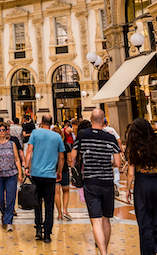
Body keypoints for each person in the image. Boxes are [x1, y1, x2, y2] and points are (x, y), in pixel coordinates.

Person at [69, 109, 122, 255]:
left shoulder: (82, 135)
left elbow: (72, 156)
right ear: (104, 120)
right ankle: (104, 248)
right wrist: (105, 162)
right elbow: (118, 162)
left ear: (91, 119)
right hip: (107, 182)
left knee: (96, 220)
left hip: (91, 182)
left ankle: (103, 253)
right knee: (106, 219)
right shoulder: (110, 137)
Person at [124, 118, 157, 255]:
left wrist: (128, 190)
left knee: (144, 222)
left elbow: (131, 174)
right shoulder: (155, 146)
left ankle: (148, 253)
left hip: (142, 185)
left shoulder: (133, 149)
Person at [25, 114, 66, 243]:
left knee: (37, 203)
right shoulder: (57, 136)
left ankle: (38, 229)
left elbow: (29, 152)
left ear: (41, 122)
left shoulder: (35, 133)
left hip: (36, 173)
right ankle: (47, 234)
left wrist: (27, 167)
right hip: (50, 175)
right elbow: (61, 157)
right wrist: (59, 171)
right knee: (49, 205)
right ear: (52, 122)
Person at [0, 122, 22, 231]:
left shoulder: (12, 144)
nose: (2, 132)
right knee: (0, 199)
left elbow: (17, 159)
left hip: (11, 174)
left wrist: (20, 173)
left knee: (11, 197)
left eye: (4, 130)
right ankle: (4, 213)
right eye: (0, 130)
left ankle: (9, 221)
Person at [52, 125, 72, 221]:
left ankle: (59, 213)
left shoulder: (50, 146)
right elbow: (69, 159)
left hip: (53, 170)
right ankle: (65, 210)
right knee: (66, 190)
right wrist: (71, 167)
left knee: (56, 193)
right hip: (64, 170)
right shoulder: (65, 145)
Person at [102, 118, 122, 198]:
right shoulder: (112, 130)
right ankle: (116, 184)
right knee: (116, 169)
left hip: (104, 153)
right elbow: (119, 140)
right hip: (113, 152)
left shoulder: (101, 130)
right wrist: (120, 149)